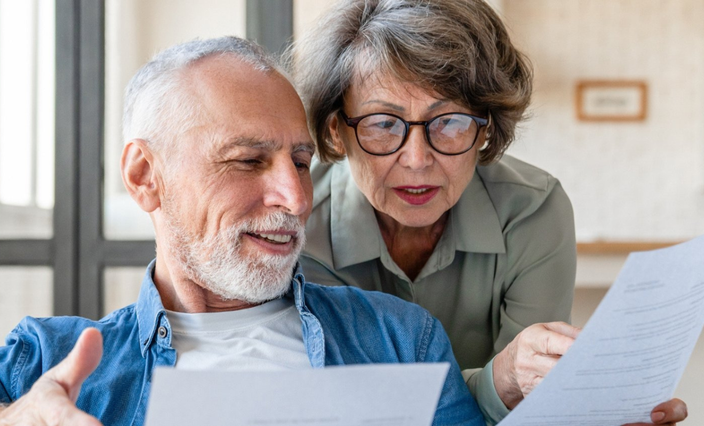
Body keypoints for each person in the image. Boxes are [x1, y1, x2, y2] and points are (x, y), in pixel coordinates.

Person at [0, 37, 484, 425]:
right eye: (248, 160)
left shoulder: (402, 343)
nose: (296, 198)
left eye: (301, 162)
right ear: (145, 177)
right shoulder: (50, 364)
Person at [289, 0, 687, 424]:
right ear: (336, 128)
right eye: (384, 124)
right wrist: (497, 381)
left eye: (451, 121)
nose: (418, 159)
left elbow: (535, 404)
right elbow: (350, 410)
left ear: (487, 126)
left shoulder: (534, 210)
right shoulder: (299, 222)